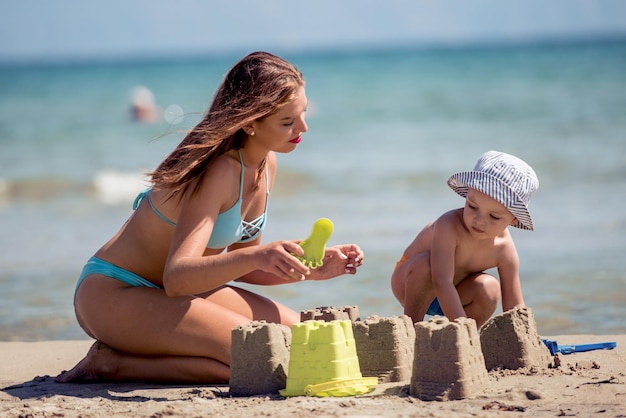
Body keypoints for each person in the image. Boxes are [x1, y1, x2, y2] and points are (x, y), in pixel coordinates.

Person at [56, 52, 364, 384]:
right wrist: (258, 254)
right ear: (250, 123)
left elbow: (242, 265)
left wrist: (311, 270)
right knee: (264, 360)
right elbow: (177, 277)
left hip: (176, 293)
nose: (302, 128)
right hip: (115, 293)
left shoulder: (265, 163)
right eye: (287, 122)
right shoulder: (221, 172)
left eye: (302, 114)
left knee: (305, 344)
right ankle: (113, 364)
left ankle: (155, 348)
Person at [391, 150, 538, 329]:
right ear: (467, 195)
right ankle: (412, 330)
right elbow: (441, 280)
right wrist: (462, 327)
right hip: (412, 283)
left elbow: (514, 305)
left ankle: (461, 345)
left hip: (458, 293)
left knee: (489, 288)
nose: (480, 220)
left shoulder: (503, 249)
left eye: (494, 216)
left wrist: (523, 334)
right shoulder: (449, 225)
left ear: (513, 219)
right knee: (426, 265)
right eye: (472, 206)